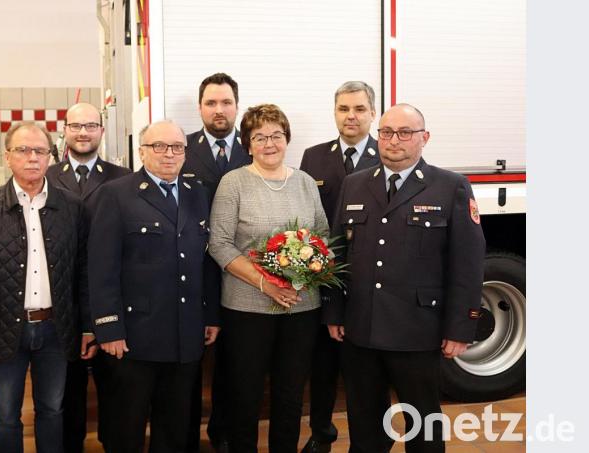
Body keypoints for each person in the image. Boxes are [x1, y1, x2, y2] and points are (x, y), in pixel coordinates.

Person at [322, 104, 485, 453]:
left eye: (404, 133)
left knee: (423, 426)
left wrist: (460, 328)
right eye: (386, 132)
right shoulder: (354, 184)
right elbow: (337, 253)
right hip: (361, 327)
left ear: (424, 138)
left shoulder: (450, 186)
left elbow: (467, 264)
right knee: (364, 424)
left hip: (417, 329)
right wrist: (334, 312)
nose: (393, 140)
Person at [0, 121, 94, 453]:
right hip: (4, 330)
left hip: (56, 329)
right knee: (6, 413)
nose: (31, 157)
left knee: (52, 409)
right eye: (22, 150)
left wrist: (88, 327)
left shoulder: (71, 207)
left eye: (39, 150)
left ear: (51, 156)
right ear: (7, 156)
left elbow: (84, 274)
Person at [88, 119, 220, 453]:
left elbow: (204, 260)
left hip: (184, 332)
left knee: (175, 427)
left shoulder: (196, 194)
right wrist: (108, 328)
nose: (168, 154)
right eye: (158, 147)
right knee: (126, 426)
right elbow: (102, 267)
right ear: (142, 151)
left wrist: (210, 315)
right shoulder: (115, 194)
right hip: (134, 336)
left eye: (176, 147)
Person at [208, 104, 330, 453]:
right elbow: (218, 242)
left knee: (291, 394)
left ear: (287, 139)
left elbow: (322, 238)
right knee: (245, 394)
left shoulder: (305, 182)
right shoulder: (234, 183)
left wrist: (303, 277)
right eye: (259, 137)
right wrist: (267, 284)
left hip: (302, 307)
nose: (269, 143)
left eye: (276, 135)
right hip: (247, 309)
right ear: (247, 144)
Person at [297, 81, 381, 453]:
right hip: (323, 277)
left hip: (368, 277)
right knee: (323, 365)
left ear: (372, 113)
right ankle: (321, 433)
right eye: (344, 109)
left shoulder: (388, 154)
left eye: (359, 109)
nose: (351, 116)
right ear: (334, 112)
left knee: (367, 369)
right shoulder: (313, 156)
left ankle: (370, 439)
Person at [46, 102, 130, 453]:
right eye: (75, 126)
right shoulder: (47, 177)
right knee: (67, 390)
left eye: (90, 126)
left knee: (115, 388)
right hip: (61, 302)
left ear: (101, 131)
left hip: (110, 299)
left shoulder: (123, 177)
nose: (83, 132)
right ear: (64, 130)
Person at [182, 72, 251, 453]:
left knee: (233, 364)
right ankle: (186, 436)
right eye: (211, 103)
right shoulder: (182, 148)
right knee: (189, 363)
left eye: (226, 102)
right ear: (200, 108)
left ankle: (223, 434)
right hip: (191, 272)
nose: (219, 110)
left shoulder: (253, 146)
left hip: (241, 273)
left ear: (237, 107)